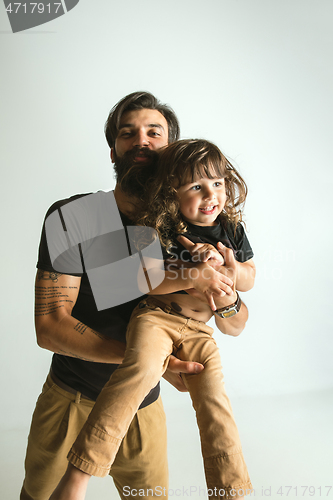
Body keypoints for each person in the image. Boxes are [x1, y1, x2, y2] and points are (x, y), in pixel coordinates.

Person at [21, 92, 215, 500]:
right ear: (114, 151)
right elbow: (50, 326)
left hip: (143, 408)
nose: (140, 141)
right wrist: (148, 359)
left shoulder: (191, 223)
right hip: (69, 399)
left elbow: (224, 315)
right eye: (128, 134)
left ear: (172, 150)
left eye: (153, 132)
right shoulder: (72, 217)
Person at [48, 139, 256, 500]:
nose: (211, 195)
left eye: (218, 184)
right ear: (172, 191)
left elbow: (250, 279)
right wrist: (194, 272)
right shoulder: (161, 227)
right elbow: (145, 278)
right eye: (196, 187)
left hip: (200, 332)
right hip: (157, 318)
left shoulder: (230, 230)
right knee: (140, 370)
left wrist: (233, 277)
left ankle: (230, 491)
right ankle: (81, 472)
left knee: (215, 400)